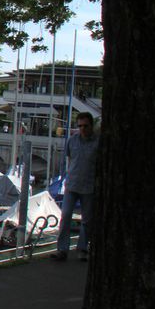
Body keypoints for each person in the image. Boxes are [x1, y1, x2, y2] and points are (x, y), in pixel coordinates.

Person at [52, 112, 100, 262]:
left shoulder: (98, 142)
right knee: (65, 216)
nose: (83, 129)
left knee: (87, 221)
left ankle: (82, 249)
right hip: (71, 184)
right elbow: (70, 159)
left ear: (91, 125)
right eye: (80, 126)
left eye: (85, 125)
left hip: (89, 186)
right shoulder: (72, 141)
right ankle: (62, 250)